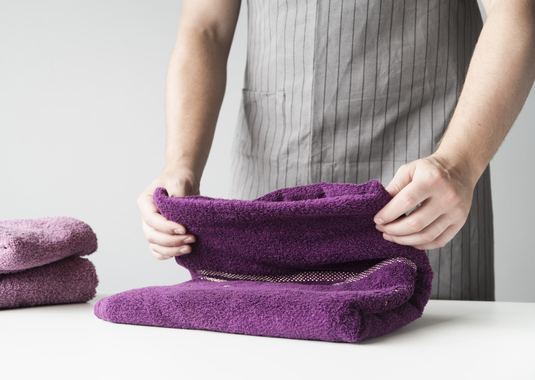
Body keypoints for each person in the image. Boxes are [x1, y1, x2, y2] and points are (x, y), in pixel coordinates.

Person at [137, 0, 535, 300]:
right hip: (274, 170)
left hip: (422, 176)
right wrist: (181, 164)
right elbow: (206, 28)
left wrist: (458, 164)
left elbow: (516, 13)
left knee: (427, 352)